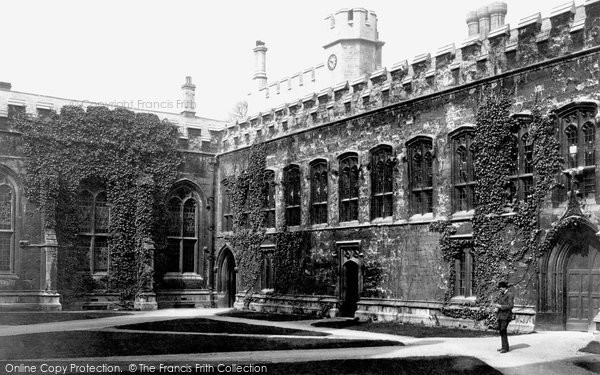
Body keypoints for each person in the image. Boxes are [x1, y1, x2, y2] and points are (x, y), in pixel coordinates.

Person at [493, 281, 514, 353]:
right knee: (501, 331)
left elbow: (511, 306)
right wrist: (497, 308)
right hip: (501, 315)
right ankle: (504, 347)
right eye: (499, 288)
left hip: (506, 316)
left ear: (505, 287)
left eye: (501, 288)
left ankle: (505, 348)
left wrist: (500, 306)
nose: (500, 289)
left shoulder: (510, 294)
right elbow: (499, 303)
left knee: (503, 330)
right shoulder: (501, 294)